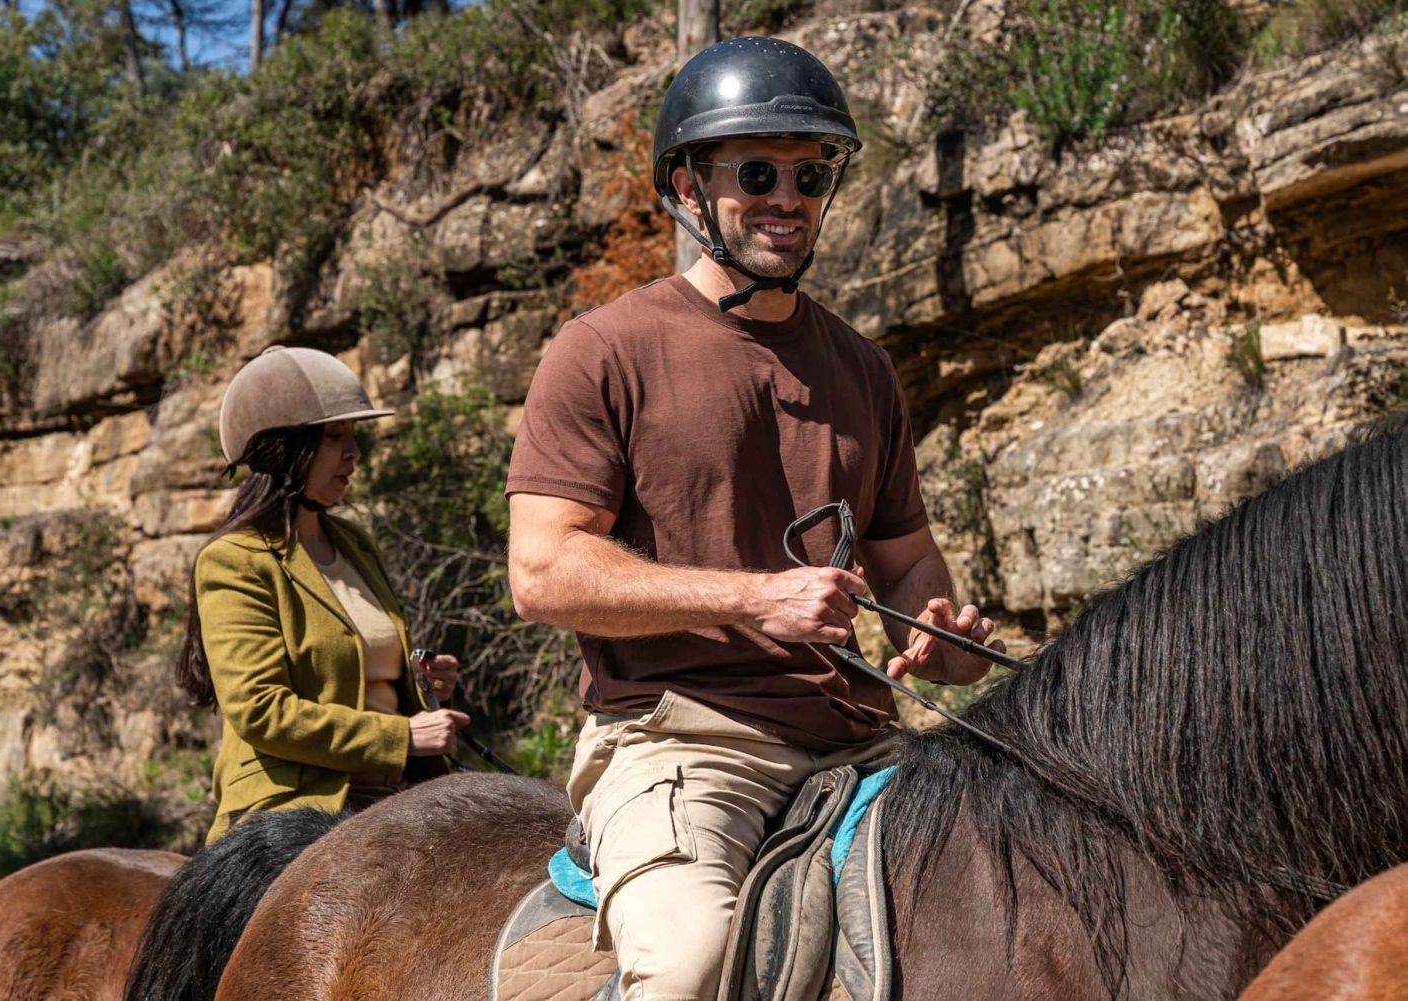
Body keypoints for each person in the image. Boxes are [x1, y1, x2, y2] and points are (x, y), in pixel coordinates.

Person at [505, 37, 1006, 1000]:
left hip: (860, 737)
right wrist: (756, 599)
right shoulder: (603, 349)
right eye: (758, 171)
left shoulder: (863, 367)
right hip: (679, 737)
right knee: (689, 968)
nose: (788, 196)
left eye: (810, 175)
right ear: (687, 186)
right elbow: (543, 572)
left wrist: (942, 635)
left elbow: (908, 569)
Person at [177, 345, 470, 845]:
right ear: (285, 451)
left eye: (354, 435)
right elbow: (261, 711)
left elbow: (363, 675)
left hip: (398, 792)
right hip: (293, 808)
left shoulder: (355, 544)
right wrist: (403, 738)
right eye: (336, 436)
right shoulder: (235, 560)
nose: (354, 453)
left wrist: (427, 689)